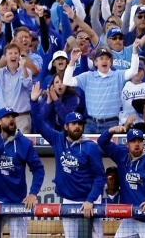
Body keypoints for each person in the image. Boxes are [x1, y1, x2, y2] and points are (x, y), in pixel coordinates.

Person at [30, 82, 106, 238]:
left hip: (90, 200)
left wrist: (91, 200)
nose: (77, 127)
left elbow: (100, 177)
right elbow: (39, 124)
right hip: (68, 200)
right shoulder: (58, 139)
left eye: (80, 124)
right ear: (66, 126)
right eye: (74, 124)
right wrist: (34, 102)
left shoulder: (91, 147)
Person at [0, 107, 45, 238]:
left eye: (13, 117)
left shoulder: (24, 143)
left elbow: (38, 169)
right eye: (8, 117)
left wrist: (33, 193)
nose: (12, 120)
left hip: (17, 201)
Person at [63, 42, 141, 133]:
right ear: (95, 62)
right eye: (101, 58)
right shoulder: (87, 77)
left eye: (107, 58)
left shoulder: (118, 75)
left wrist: (135, 51)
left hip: (111, 124)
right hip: (91, 124)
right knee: (87, 147)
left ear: (111, 62)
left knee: (109, 148)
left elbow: (134, 71)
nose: (104, 61)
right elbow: (67, 81)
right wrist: (72, 61)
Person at [0, 43, 33, 133]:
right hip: (2, 119)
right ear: (5, 57)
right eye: (10, 53)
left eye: (16, 53)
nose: (13, 56)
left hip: (21, 118)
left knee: (20, 146)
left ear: (19, 56)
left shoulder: (26, 71)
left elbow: (27, 84)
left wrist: (23, 67)